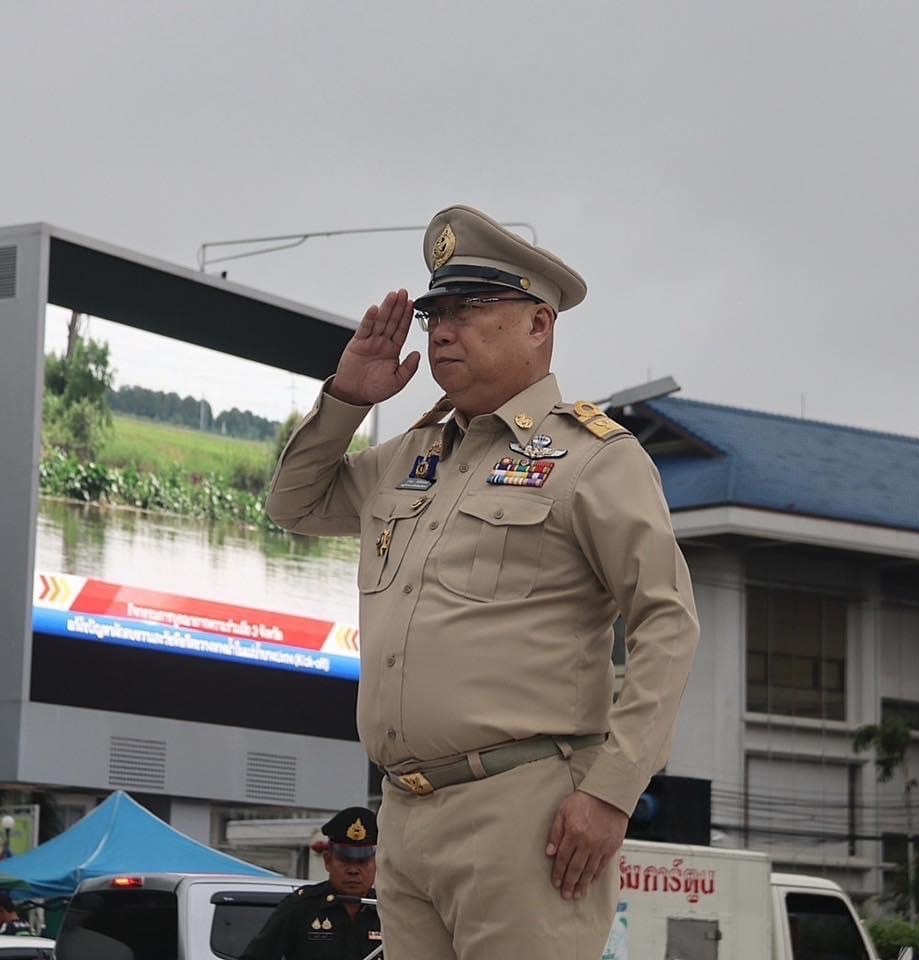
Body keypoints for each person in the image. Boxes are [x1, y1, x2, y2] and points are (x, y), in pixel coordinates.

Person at [264, 204, 700, 959]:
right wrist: (348, 398)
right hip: (405, 809)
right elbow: (294, 505)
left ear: (539, 325)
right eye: (435, 312)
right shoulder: (412, 455)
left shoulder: (593, 457)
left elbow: (667, 621)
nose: (442, 330)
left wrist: (609, 793)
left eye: (470, 310)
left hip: (525, 811)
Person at [241, 807, 382, 960]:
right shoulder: (302, 906)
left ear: (377, 864)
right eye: (345, 860)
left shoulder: (387, 912)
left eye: (362, 862)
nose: (353, 870)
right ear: (328, 861)